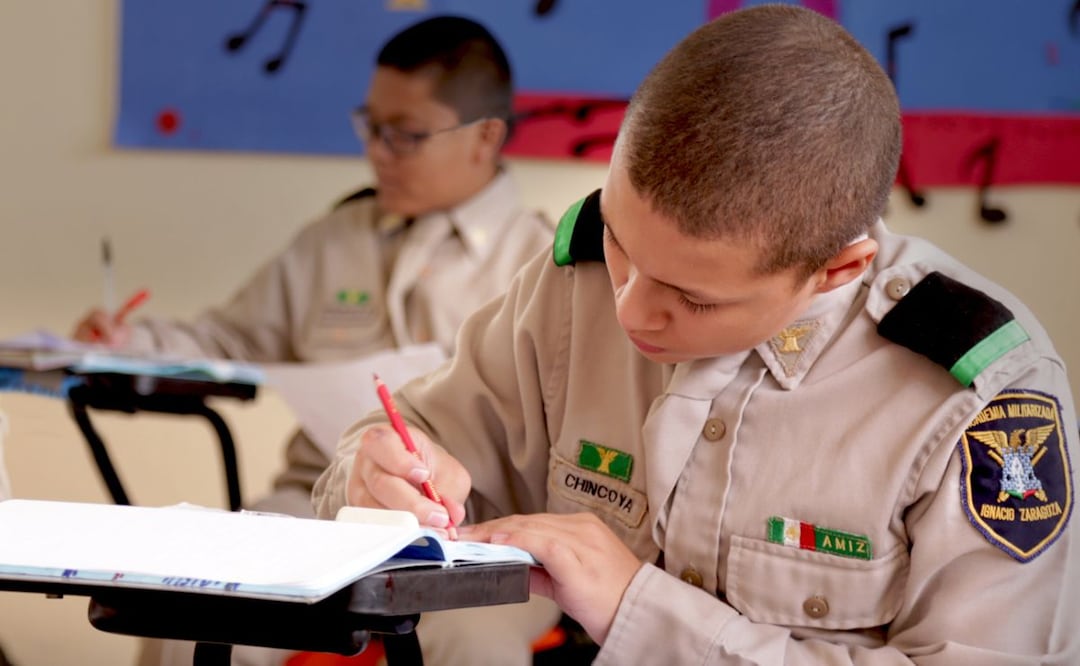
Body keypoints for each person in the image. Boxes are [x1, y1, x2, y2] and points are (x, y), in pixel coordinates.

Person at [313, 5, 1079, 664]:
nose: (629, 310)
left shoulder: (979, 397)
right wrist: (374, 479)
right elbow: (418, 440)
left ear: (837, 270)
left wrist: (641, 612)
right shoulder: (578, 280)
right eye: (621, 244)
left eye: (693, 298)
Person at [72, 15, 559, 666]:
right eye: (371, 127)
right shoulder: (333, 242)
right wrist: (130, 340)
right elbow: (226, 338)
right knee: (189, 612)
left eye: (405, 135)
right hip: (319, 506)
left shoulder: (545, 265)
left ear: (485, 137)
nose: (378, 152)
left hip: (477, 531)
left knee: (472, 641)